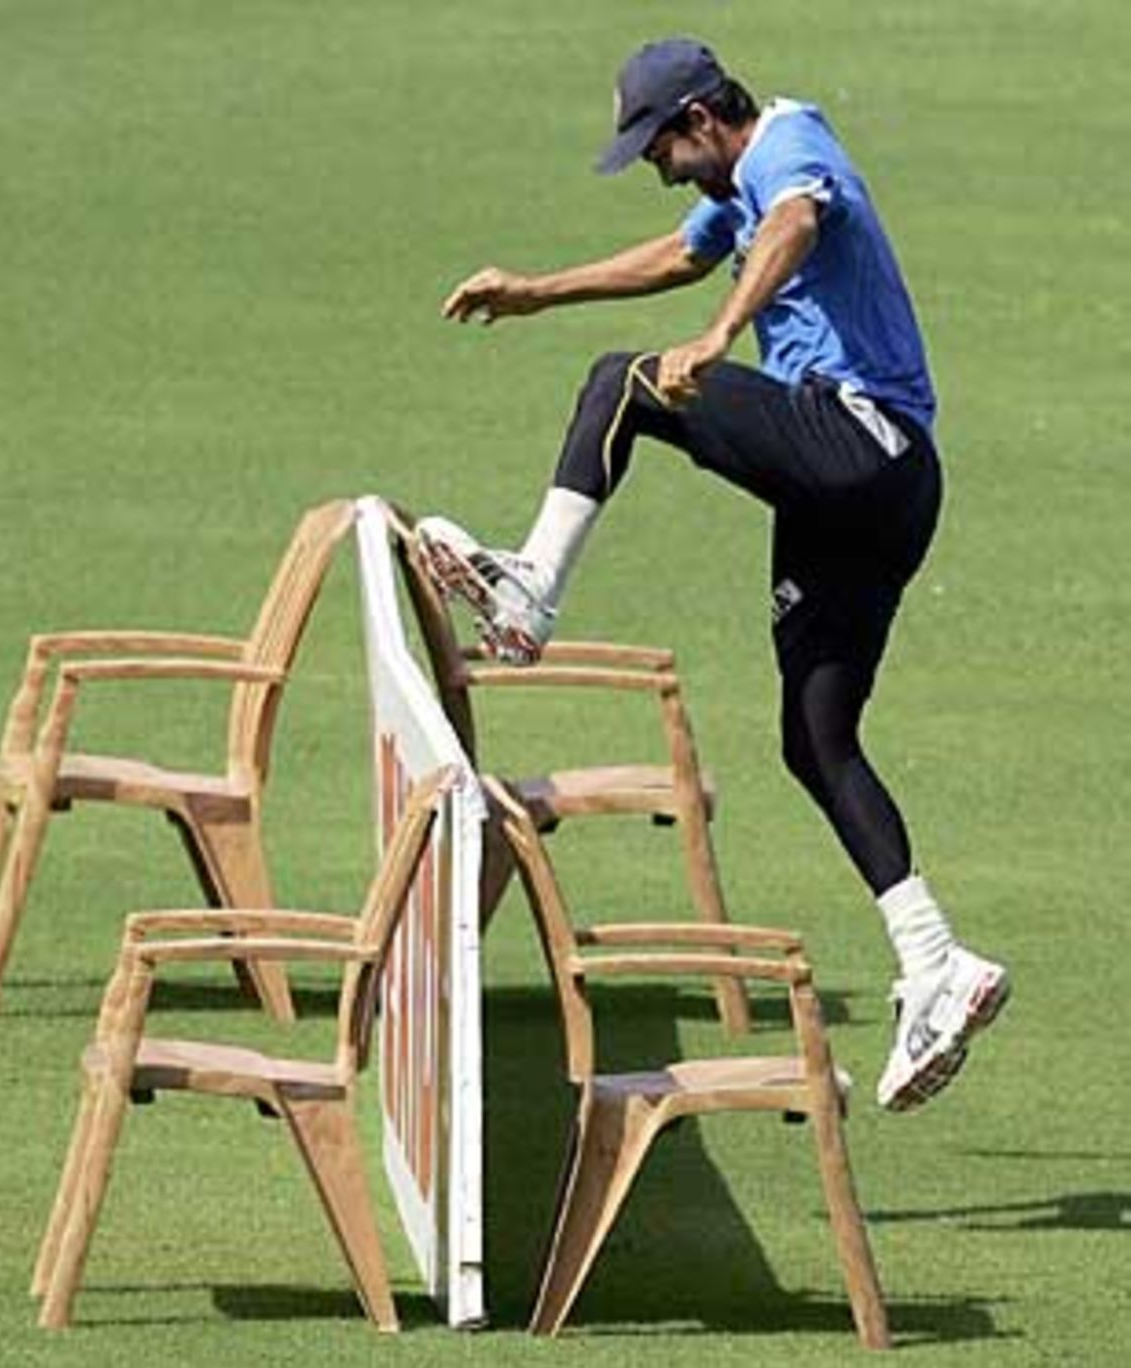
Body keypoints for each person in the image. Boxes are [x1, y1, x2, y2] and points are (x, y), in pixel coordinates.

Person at [416, 38, 1009, 1112]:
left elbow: (795, 224)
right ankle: (935, 962)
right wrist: (535, 291)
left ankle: (527, 592)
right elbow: (683, 254)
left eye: (657, 146)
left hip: (860, 441)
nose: (655, 165)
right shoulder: (735, 180)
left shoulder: (788, 145)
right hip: (872, 500)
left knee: (625, 385)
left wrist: (719, 336)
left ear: (699, 116)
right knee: (813, 737)